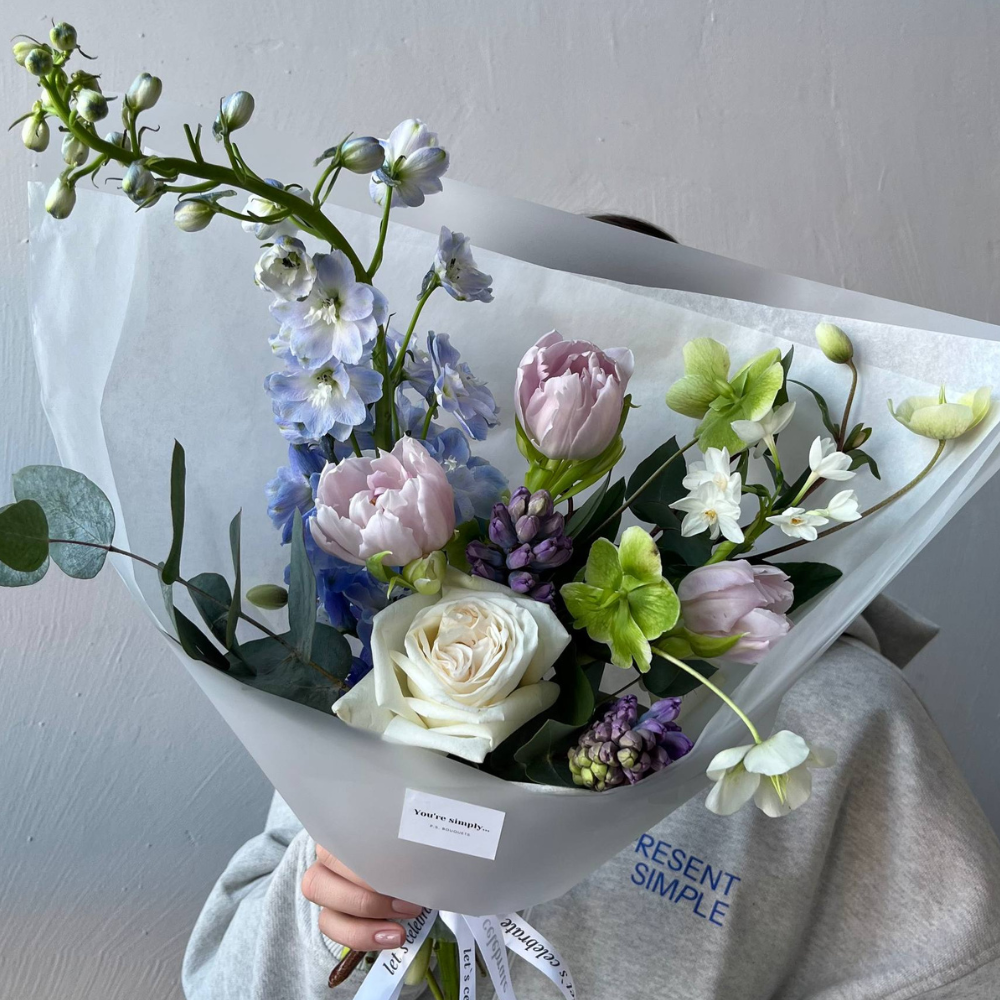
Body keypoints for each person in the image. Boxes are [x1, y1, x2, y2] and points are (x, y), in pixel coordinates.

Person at [182, 218, 1000, 999]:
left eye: (624, 383)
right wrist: (330, 902)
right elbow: (218, 986)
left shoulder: (850, 720)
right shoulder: (394, 657)